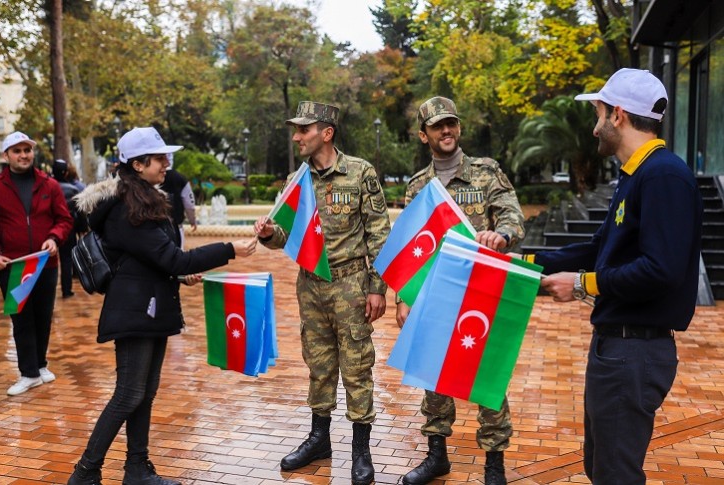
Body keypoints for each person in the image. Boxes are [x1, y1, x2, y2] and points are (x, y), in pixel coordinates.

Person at [525, 69, 702, 483]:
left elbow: (661, 270)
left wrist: (582, 285)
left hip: (634, 352)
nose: (594, 128)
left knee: (615, 475)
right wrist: (522, 261)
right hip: (617, 348)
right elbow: (598, 249)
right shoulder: (637, 175)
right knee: (601, 467)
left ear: (618, 115)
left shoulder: (663, 177)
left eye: (599, 114)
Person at [67, 127, 257, 485]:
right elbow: (173, 258)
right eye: (159, 158)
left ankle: (137, 469)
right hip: (135, 310)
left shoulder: (143, 200)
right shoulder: (127, 209)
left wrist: (178, 276)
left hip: (150, 306)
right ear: (138, 165)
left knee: (144, 394)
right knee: (128, 395)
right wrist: (228, 249)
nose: (166, 163)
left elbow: (152, 260)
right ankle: (85, 473)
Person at [254, 101, 390, 485]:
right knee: (318, 364)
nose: (297, 137)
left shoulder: (360, 172)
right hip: (311, 285)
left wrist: (377, 288)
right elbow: (285, 235)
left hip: (351, 285)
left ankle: (361, 450)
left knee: (357, 366)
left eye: (304, 130)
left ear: (326, 133)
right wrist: (268, 234)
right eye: (296, 130)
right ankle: (319, 439)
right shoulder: (296, 180)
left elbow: (379, 234)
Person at [396, 97, 526, 485]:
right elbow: (410, 245)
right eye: (437, 126)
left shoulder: (486, 172)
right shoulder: (419, 186)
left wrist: (502, 236)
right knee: (432, 375)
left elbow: (513, 216)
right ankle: (437, 455)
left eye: (450, 123)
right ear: (424, 135)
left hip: (480, 292)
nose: (446, 130)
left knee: (488, 379)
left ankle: (494, 464)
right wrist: (402, 297)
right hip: (435, 294)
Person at [0, 131, 73, 396]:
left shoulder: (49, 185)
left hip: (45, 264)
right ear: (6, 156)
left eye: (27, 150)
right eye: (17, 151)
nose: (23, 155)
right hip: (13, 266)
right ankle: (28, 373)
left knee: (43, 316)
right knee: (21, 320)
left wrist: (54, 238)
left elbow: (64, 220)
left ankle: (40, 365)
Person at [53, 159, 85, 298]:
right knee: (66, 259)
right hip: (68, 229)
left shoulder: (48, 187)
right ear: (66, 173)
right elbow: (80, 211)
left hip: (50, 229)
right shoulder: (72, 190)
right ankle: (66, 290)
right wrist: (82, 228)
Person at [161, 154, 197, 249]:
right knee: (177, 253)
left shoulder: (147, 177)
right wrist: (192, 220)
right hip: (176, 225)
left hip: (156, 226)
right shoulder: (179, 178)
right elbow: (189, 203)